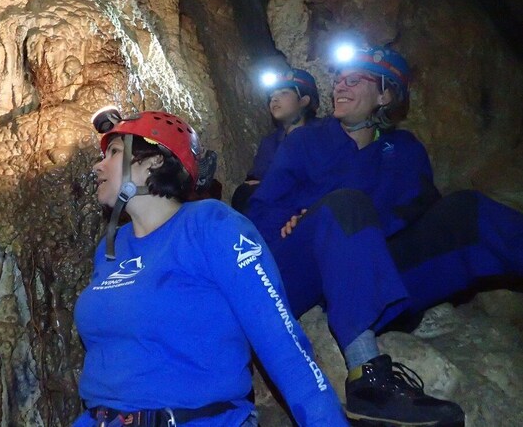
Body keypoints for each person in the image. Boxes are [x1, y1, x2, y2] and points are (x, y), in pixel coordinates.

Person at [247, 44, 523, 426]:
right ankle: (368, 381)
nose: (340, 86)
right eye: (339, 80)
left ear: (386, 94)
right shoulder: (306, 141)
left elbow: (418, 210)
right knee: (344, 206)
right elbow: (261, 211)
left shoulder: (405, 150)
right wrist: (296, 221)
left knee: (467, 210)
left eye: (354, 80)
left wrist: (369, 231)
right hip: (300, 266)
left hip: (370, 271)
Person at [73, 108, 349, 427]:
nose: (98, 165)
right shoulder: (111, 247)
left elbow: (282, 346)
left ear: (154, 161)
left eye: (115, 152)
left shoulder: (212, 226)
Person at [232, 68, 321, 214]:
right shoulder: (270, 143)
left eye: (284, 93)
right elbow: (256, 179)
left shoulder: (324, 134)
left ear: (304, 100)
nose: (274, 99)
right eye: (271, 95)